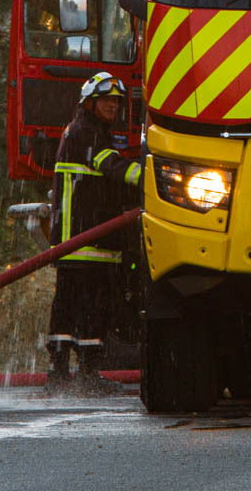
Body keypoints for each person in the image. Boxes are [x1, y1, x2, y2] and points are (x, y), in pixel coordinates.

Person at [44, 72, 144, 394]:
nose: (113, 107)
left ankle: (61, 374)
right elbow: (112, 167)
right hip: (86, 240)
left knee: (70, 305)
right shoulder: (87, 133)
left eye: (116, 102)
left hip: (82, 241)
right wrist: (151, 176)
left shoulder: (86, 131)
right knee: (90, 306)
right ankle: (81, 374)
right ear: (89, 103)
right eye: (106, 101)